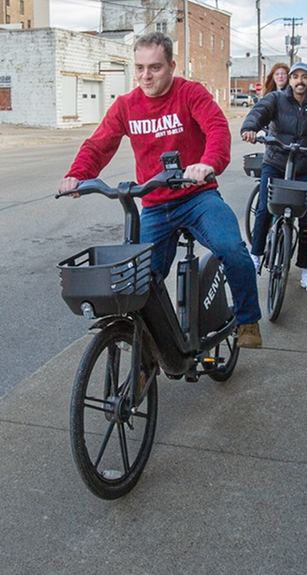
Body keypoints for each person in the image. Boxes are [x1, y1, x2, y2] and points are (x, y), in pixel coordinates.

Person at [58, 32, 263, 349]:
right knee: (140, 281)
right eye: (139, 68)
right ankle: (148, 356)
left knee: (230, 247)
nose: (145, 75)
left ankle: (248, 319)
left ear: (172, 65)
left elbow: (216, 128)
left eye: (154, 67)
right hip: (154, 204)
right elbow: (99, 144)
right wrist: (78, 175)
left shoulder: (190, 93)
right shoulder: (126, 106)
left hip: (198, 196)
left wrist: (208, 163)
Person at [241, 61, 307, 293]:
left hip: (304, 166)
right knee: (264, 210)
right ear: (289, 80)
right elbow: (259, 113)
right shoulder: (276, 99)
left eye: (305, 77)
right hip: (276, 163)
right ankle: (256, 255)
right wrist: (250, 128)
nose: (300, 81)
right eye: (295, 76)